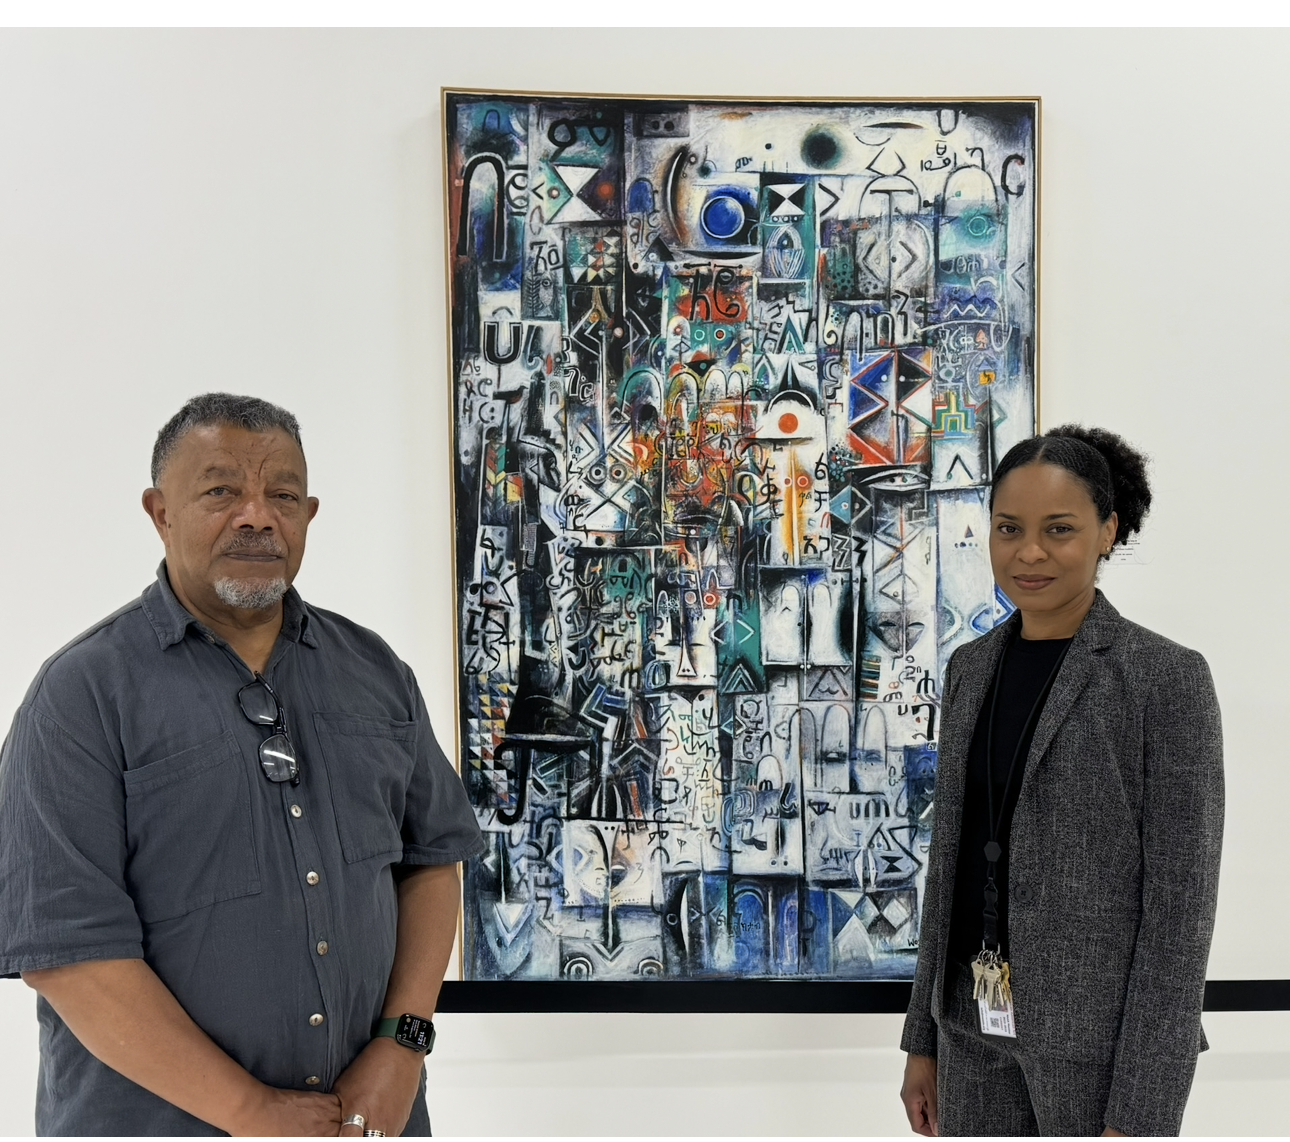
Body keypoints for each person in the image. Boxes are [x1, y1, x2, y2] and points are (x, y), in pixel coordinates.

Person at [0, 393, 484, 1136]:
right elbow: (68, 954)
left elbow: (432, 863)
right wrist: (252, 1112)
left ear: (309, 515)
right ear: (160, 513)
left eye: (282, 495)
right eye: (222, 490)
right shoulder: (80, 696)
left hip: (368, 1123)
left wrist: (403, 1045)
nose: (257, 516)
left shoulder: (377, 672)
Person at [898, 425, 1223, 1137]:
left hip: (1096, 1048)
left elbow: (1180, 913)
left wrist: (1141, 1113)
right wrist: (923, 1039)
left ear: (1108, 531)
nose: (1029, 552)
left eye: (1059, 529)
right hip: (970, 1031)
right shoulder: (969, 668)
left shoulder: (1164, 679)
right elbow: (948, 862)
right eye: (1008, 528)